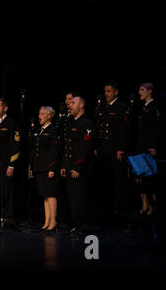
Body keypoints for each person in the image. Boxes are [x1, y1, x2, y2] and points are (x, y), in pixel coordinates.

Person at [94, 82, 130, 223]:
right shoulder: (103, 107)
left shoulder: (121, 107)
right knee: (104, 179)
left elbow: (124, 129)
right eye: (105, 91)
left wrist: (121, 148)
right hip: (104, 149)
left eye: (109, 91)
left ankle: (120, 208)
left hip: (115, 149)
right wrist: (97, 146)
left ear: (116, 92)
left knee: (118, 179)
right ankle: (106, 208)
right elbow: (99, 128)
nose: (106, 93)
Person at [60, 97, 95, 237]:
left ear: (81, 105)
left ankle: (84, 226)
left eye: (73, 103)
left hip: (80, 168)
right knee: (72, 198)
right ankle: (76, 224)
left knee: (80, 198)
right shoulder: (71, 122)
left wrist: (77, 168)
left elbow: (85, 148)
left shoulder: (86, 123)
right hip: (69, 166)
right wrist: (64, 165)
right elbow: (67, 147)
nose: (70, 105)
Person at [29, 106, 59, 234]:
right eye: (39, 113)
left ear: (49, 116)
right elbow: (34, 151)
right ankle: (47, 221)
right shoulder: (38, 130)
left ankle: (53, 222)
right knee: (44, 195)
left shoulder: (53, 130)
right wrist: (31, 168)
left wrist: (52, 168)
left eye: (42, 114)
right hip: (39, 167)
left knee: (51, 194)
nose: (39, 116)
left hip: (48, 168)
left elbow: (54, 151)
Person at [135, 83, 160, 216]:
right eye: (139, 89)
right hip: (142, 146)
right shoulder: (144, 108)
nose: (140, 92)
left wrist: (153, 146)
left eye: (142, 89)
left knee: (149, 177)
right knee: (140, 176)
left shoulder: (153, 107)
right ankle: (146, 204)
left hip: (149, 147)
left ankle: (152, 206)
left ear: (150, 91)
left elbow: (155, 128)